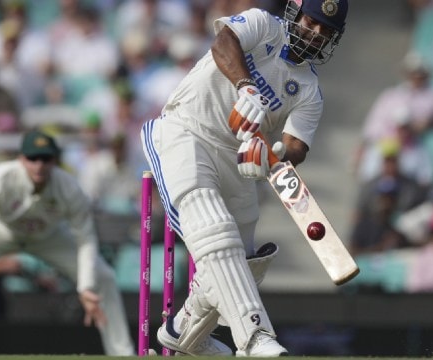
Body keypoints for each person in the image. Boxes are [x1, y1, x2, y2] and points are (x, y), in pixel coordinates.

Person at [139, 0, 349, 356]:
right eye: (311, 23)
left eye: (324, 31)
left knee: (247, 263)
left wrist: (273, 153)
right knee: (214, 228)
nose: (314, 35)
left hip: (236, 158)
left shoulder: (309, 90)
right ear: (295, 14)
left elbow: (296, 146)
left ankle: (182, 331)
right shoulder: (262, 24)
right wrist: (246, 87)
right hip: (186, 129)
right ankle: (254, 337)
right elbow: (223, 42)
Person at [0, 130, 135, 356]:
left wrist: (86, 286)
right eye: (32, 158)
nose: (39, 165)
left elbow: (86, 237)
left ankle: (121, 352)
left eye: (45, 158)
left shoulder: (69, 188)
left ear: (55, 161)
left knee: (104, 276)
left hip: (49, 238)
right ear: (20, 159)